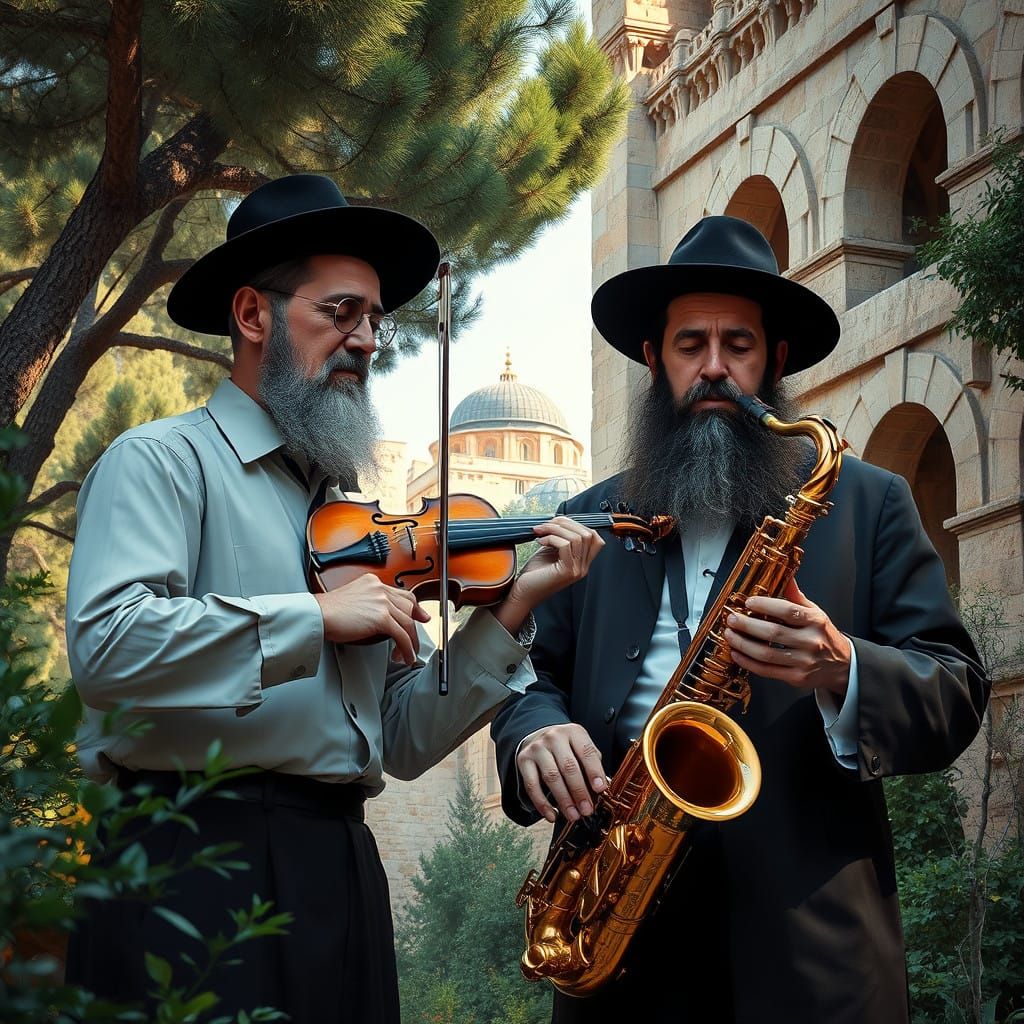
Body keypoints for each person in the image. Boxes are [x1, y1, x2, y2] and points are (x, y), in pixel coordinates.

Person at [64, 173, 605, 1023]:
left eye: (376, 321)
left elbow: (400, 740)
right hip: (194, 862)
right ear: (252, 316)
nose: (367, 340)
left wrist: (508, 615)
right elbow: (106, 651)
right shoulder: (161, 462)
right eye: (341, 312)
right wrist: (314, 617)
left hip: (341, 869)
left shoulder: (347, 513)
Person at [490, 215, 989, 1024]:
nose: (714, 368)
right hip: (618, 943)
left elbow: (958, 691)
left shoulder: (867, 503)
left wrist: (841, 665)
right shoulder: (589, 517)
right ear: (654, 359)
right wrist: (535, 730)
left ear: (776, 361)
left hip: (810, 958)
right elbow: (521, 676)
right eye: (690, 345)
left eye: (738, 346)